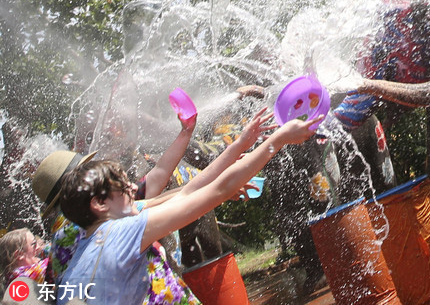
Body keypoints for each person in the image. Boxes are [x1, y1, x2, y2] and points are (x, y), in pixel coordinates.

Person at [53, 110, 314, 305]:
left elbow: (188, 191)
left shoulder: (86, 242)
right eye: (123, 188)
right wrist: (278, 139)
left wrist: (240, 144)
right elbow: (217, 190)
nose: (134, 189)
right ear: (99, 204)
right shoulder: (126, 230)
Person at [0, 229, 46, 293]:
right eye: (34, 244)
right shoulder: (25, 277)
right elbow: (56, 261)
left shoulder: (10, 277)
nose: (38, 247)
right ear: (19, 254)